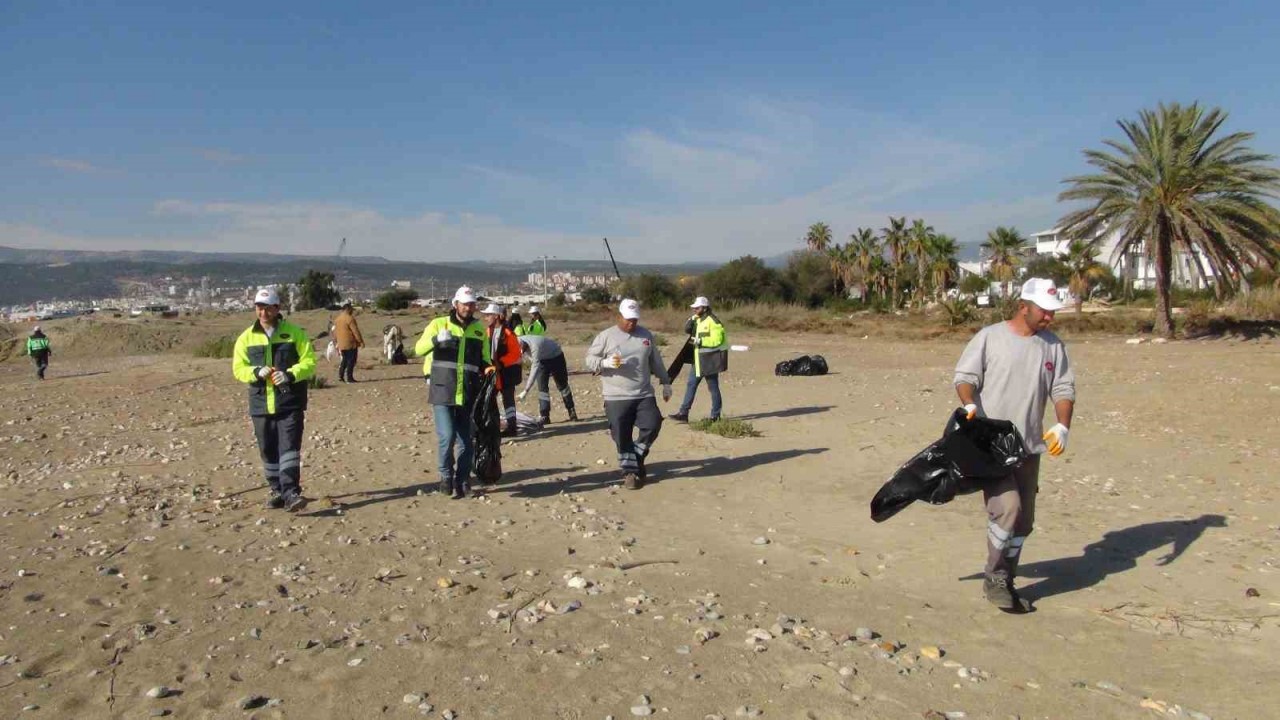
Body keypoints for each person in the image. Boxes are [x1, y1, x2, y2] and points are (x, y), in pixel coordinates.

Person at [954, 277, 1076, 612]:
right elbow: (965, 378)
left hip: (1030, 447)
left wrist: (1062, 425)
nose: (1050, 317)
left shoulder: (1053, 346)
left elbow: (1063, 389)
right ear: (1024, 306)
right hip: (992, 446)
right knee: (1008, 508)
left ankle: (1006, 576)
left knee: (1023, 523)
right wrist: (969, 405)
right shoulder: (990, 338)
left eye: (1053, 312)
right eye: (1044, 311)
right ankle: (994, 578)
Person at [231, 287, 318, 512]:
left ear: (277, 308)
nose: (263, 313)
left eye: (267, 308)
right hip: (261, 404)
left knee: (289, 448)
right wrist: (255, 372)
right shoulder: (245, 338)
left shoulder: (295, 333)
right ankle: (277, 490)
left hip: (289, 403)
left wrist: (290, 374)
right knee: (268, 450)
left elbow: (309, 362)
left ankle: (291, 493)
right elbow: (238, 368)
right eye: (259, 308)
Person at [585, 299, 672, 490]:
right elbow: (590, 359)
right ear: (619, 316)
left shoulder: (646, 336)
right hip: (616, 396)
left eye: (634, 320)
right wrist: (605, 363)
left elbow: (655, 361)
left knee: (653, 424)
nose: (631, 323)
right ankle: (630, 473)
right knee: (621, 436)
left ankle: (636, 458)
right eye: (627, 319)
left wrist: (666, 382)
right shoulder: (606, 336)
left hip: (643, 393)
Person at [414, 286, 493, 499]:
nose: (469, 307)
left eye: (472, 304)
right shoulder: (439, 324)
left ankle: (463, 480)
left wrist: (488, 367)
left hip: (468, 391)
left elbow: (484, 357)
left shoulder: (478, 329)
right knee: (447, 436)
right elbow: (418, 349)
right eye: (465, 304)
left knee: (467, 441)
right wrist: (436, 340)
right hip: (443, 389)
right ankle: (446, 477)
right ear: (455, 304)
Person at [669, 296, 727, 422]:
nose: (694, 310)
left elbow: (718, 340)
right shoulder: (698, 320)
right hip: (698, 359)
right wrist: (691, 319)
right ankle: (683, 413)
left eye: (697, 308)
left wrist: (701, 341)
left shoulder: (713, 321)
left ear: (704, 308)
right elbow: (687, 330)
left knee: (713, 387)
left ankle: (715, 415)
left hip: (710, 360)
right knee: (691, 384)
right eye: (694, 308)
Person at [480, 303, 523, 437]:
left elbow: (516, 354)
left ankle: (511, 427)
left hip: (507, 372)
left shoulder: (508, 333)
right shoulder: (488, 331)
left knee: (508, 400)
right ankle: (493, 426)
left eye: (488, 315)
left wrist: (501, 363)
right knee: (490, 399)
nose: (486, 318)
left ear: (497, 316)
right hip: (493, 372)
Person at [518, 334, 579, 425]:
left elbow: (534, 368)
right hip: (542, 360)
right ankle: (545, 415)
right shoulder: (516, 342)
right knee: (542, 389)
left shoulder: (535, 346)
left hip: (556, 357)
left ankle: (571, 410)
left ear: (524, 345)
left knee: (562, 385)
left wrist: (526, 390)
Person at [333, 302, 364, 383]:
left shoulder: (337, 319)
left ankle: (341, 376)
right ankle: (350, 378)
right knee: (351, 360)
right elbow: (355, 331)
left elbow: (335, 332)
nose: (352, 311)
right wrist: (361, 341)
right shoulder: (349, 318)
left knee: (344, 360)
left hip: (341, 344)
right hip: (350, 343)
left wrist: (336, 341)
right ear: (348, 309)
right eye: (351, 310)